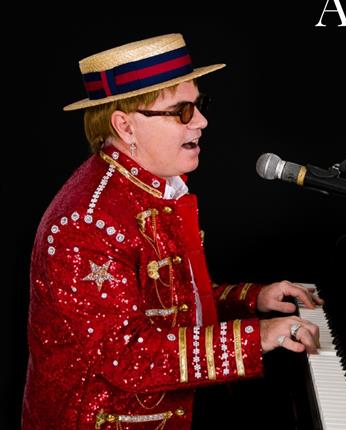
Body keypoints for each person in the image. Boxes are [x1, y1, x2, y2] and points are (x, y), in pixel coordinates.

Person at [22, 33, 323, 430]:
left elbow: (175, 304)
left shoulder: (149, 186)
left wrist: (253, 299)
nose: (201, 121)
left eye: (199, 105)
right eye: (182, 111)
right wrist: (259, 335)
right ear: (125, 125)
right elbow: (126, 357)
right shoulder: (84, 222)